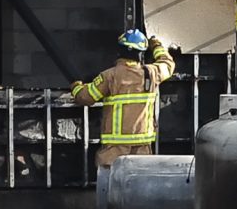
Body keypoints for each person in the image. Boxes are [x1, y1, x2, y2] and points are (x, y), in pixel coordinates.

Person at [70, 29, 175, 168]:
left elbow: (85, 97)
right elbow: (168, 64)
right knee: (140, 184)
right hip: (141, 147)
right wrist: (156, 45)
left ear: (120, 50)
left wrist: (76, 87)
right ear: (141, 53)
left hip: (114, 149)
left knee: (110, 184)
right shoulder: (151, 73)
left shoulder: (109, 76)